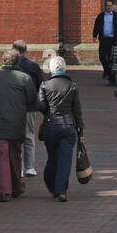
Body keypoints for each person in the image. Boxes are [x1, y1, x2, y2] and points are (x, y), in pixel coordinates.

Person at [0, 48, 38, 202]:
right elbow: (32, 99)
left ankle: (3, 190)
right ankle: (15, 186)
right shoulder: (25, 79)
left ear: (3, 61)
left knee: (1, 157)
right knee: (15, 155)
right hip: (17, 122)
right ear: (18, 61)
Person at [37, 55, 84, 202]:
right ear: (64, 69)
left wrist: (49, 112)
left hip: (51, 125)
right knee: (65, 160)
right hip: (68, 125)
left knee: (52, 157)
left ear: (51, 69)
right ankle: (61, 190)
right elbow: (77, 111)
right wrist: (80, 130)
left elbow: (41, 105)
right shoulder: (72, 85)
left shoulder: (45, 85)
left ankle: (51, 186)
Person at [14, 40, 45, 177]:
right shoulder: (33, 66)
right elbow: (41, 85)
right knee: (29, 136)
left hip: (13, 106)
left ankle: (17, 167)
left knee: (15, 137)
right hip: (30, 106)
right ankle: (30, 167)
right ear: (25, 51)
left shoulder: (9, 68)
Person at [92, 1, 117, 86]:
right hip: (103, 39)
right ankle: (106, 70)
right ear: (105, 6)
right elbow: (97, 26)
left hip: (112, 40)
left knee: (111, 58)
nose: (109, 7)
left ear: (112, 6)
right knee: (101, 56)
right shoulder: (101, 16)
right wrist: (95, 35)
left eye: (110, 6)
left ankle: (111, 77)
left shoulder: (116, 16)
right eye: (108, 6)